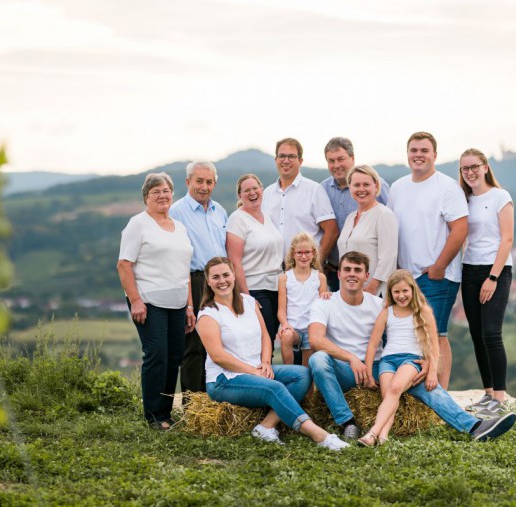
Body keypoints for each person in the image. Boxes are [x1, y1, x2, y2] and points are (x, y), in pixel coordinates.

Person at [308, 251, 516, 442]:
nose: (352, 274)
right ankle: (348, 422)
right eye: (347, 269)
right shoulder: (325, 302)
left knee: (426, 386)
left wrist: (426, 363)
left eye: (357, 270)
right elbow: (316, 340)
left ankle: (474, 427)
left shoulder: (379, 305)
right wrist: (352, 358)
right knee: (317, 359)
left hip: (380, 366)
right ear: (340, 273)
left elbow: (404, 333)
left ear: (366, 275)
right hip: (346, 369)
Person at [197, 257, 350, 451]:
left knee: (302, 375)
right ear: (208, 282)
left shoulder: (249, 301)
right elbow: (218, 356)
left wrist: (266, 363)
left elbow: (265, 338)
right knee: (274, 388)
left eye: (226, 275)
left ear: (234, 276)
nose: (222, 281)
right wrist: (253, 371)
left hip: (256, 368)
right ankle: (321, 436)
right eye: (215, 277)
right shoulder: (208, 314)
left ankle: (266, 426)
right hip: (224, 379)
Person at [388, 131, 468, 390]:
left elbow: (460, 229)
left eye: (424, 151)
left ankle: (441, 395)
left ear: (435, 155)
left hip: (437, 276)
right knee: (414, 337)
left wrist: (439, 266)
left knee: (436, 335)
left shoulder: (447, 187)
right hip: (406, 278)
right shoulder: (398, 187)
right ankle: (421, 394)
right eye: (414, 150)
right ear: (407, 154)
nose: (418, 155)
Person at [117, 173, 195, 430]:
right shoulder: (138, 224)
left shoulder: (179, 227)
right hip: (149, 302)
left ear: (172, 194)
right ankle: (153, 415)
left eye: (166, 190)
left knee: (174, 357)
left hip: (178, 302)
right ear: (146, 197)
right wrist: (136, 300)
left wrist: (189, 306)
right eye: (156, 192)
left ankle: (165, 413)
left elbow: (185, 270)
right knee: (157, 356)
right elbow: (124, 264)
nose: (162, 195)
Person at [458, 149, 515, 418]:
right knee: (477, 334)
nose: (469, 172)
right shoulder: (464, 199)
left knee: (492, 333)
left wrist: (492, 277)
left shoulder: (500, 197)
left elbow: (507, 239)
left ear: (485, 167)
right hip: (469, 269)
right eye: (464, 168)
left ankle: (501, 398)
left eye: (474, 166)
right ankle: (488, 393)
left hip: (496, 270)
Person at [359, 270, 440, 446]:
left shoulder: (423, 311)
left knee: (395, 388)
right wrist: (369, 371)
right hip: (387, 360)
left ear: (412, 290)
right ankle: (382, 437)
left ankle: (372, 432)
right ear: (390, 293)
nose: (401, 296)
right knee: (388, 395)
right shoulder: (386, 312)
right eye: (396, 292)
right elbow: (373, 345)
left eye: (405, 291)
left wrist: (432, 371)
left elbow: (434, 344)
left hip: (411, 359)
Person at [169, 161, 228, 396]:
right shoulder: (176, 212)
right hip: (194, 281)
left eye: (209, 182)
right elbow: (177, 258)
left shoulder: (220, 211)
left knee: (219, 342)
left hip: (221, 283)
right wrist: (188, 301)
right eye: (199, 181)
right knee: (193, 345)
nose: (204, 186)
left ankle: (216, 399)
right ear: (188, 182)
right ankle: (194, 405)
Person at [321, 137, 390, 291]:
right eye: (331, 161)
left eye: (341, 159)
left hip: (371, 276)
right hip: (335, 272)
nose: (336, 165)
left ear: (352, 158)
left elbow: (390, 237)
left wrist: (375, 283)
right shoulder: (322, 189)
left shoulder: (377, 185)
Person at [226, 174, 284, 350]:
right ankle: (263, 375)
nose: (252, 193)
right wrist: (246, 297)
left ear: (262, 190)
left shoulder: (266, 216)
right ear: (240, 196)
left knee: (272, 337)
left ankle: (270, 374)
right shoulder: (237, 220)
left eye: (255, 188)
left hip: (277, 288)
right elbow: (235, 262)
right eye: (246, 190)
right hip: (256, 289)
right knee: (263, 340)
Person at [262, 138, 338, 265]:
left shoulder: (314, 190)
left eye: (291, 156)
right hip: (272, 270)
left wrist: (316, 263)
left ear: (300, 161)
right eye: (282, 156)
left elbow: (332, 231)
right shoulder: (267, 193)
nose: (286, 161)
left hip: (304, 269)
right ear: (276, 160)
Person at [336, 164, 398, 296]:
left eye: (366, 184)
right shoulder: (350, 218)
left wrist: (373, 287)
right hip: (348, 293)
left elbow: (388, 257)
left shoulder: (384, 215)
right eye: (356, 185)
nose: (361, 189)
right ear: (350, 187)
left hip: (373, 293)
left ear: (376, 186)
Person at [277, 232, 328, 366]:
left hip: (311, 329)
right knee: (286, 336)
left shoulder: (319, 277)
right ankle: (289, 373)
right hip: (293, 329)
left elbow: (323, 306)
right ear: (293, 254)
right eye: (299, 252)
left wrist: (327, 297)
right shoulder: (285, 278)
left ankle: (309, 386)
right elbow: (281, 310)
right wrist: (285, 325)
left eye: (307, 252)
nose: (303, 256)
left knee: (307, 373)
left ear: (313, 254)